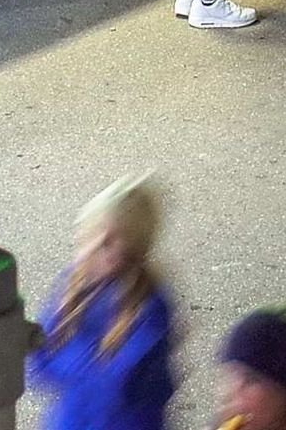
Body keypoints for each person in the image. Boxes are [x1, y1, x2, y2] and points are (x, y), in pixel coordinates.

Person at [28, 177, 176, 430]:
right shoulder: (74, 284)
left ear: (133, 252)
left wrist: (58, 356)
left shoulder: (150, 310)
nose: (91, 250)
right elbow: (38, 365)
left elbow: (111, 392)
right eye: (90, 233)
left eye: (108, 243)